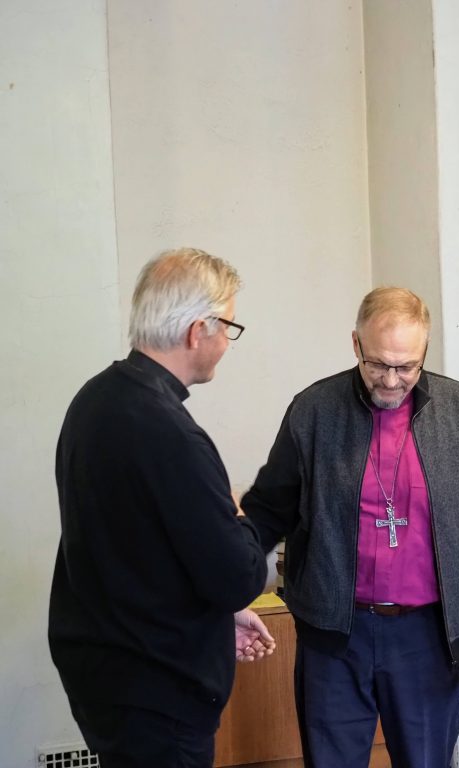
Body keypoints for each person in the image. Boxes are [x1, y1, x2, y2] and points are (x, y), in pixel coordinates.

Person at [240, 286, 459, 768]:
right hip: (335, 635)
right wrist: (229, 587)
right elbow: (269, 509)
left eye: (406, 367)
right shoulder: (314, 411)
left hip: (429, 637)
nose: (391, 381)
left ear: (425, 352)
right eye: (377, 365)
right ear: (356, 344)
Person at [49, 248, 276, 768]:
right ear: (199, 331)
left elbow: (137, 552)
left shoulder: (95, 400)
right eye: (228, 328)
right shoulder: (170, 433)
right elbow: (238, 578)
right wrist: (237, 509)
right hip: (158, 694)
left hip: (108, 675)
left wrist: (214, 624)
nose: (227, 343)